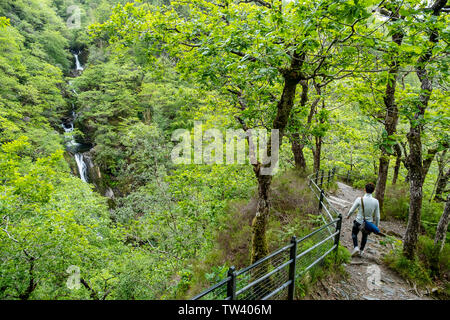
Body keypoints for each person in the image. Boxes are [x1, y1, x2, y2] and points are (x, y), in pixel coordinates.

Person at [346, 182, 381, 257]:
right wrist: (376, 226)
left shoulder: (359, 199)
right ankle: (361, 251)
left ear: (364, 189)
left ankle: (356, 247)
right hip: (368, 223)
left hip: (358, 221)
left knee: (354, 233)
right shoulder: (376, 201)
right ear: (373, 191)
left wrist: (348, 215)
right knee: (364, 237)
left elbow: (352, 210)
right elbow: (377, 216)